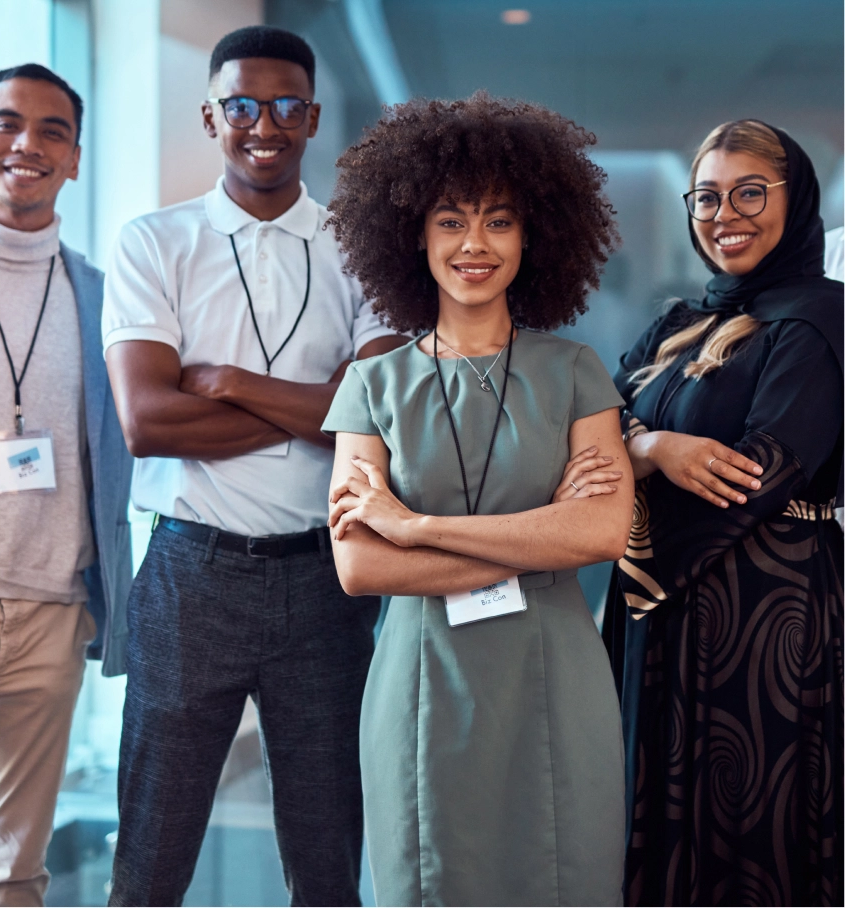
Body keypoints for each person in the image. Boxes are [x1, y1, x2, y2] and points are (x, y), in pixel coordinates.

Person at [102, 26, 405, 907]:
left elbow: (372, 415)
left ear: (312, 118)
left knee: (327, 860)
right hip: (190, 572)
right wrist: (314, 404)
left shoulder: (364, 249)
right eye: (240, 105)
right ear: (211, 116)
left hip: (328, 577)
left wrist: (231, 384)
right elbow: (149, 421)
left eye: (283, 106)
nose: (261, 124)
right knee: (151, 857)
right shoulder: (154, 242)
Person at [321, 93, 634, 907]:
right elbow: (359, 564)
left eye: (499, 221)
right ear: (413, 237)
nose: (474, 244)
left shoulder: (575, 371)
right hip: (422, 675)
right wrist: (540, 533)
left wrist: (413, 526)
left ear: (532, 238)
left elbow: (602, 530)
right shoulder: (372, 384)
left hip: (556, 675)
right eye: (452, 220)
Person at [603, 120, 843, 906]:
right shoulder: (682, 323)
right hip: (662, 614)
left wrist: (629, 532)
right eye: (707, 196)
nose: (724, 214)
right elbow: (589, 422)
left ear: (794, 198)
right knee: (650, 815)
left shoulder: (824, 317)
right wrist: (651, 451)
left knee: (747, 830)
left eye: (749, 193)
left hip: (768, 616)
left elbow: (758, 474)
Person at [0, 64, 132, 906]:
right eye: (8, 124)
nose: (28, 143)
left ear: (77, 159)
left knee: (15, 875)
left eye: (53, 130)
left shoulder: (105, 299)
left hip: (52, 618)